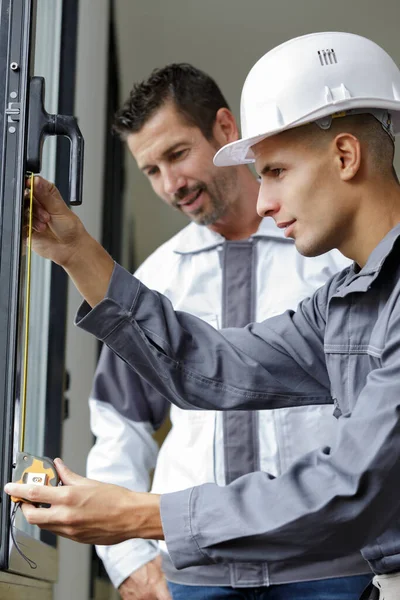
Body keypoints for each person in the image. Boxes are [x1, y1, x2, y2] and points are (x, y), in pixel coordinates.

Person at [6, 31, 400, 600]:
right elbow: (219, 366)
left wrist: (142, 515)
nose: (263, 202)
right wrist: (76, 252)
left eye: (277, 172)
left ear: (345, 155)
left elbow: (353, 486)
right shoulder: (345, 302)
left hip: (333, 570)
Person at [86, 63, 367, 600]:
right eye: (151, 171)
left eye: (176, 154)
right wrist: (128, 563)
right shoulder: (156, 280)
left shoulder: (333, 258)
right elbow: (119, 424)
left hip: (328, 568)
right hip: (197, 575)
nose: (172, 185)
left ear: (225, 129)